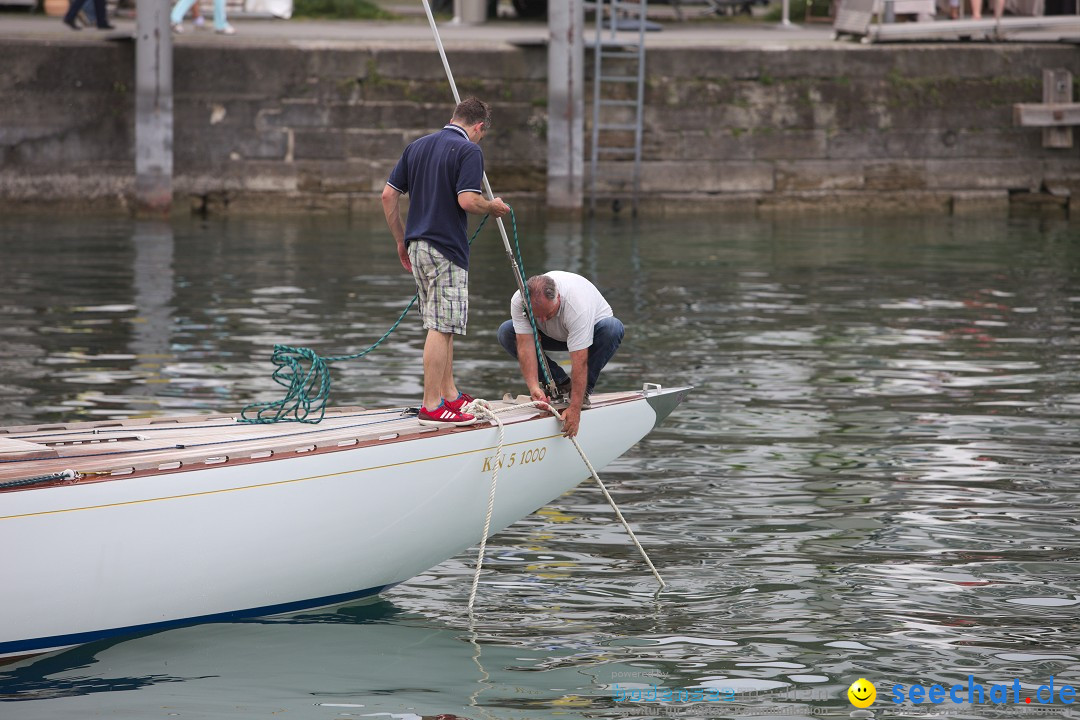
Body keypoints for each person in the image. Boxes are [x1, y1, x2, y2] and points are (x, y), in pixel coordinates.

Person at [382, 97, 511, 427]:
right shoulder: (469, 151)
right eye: (482, 133)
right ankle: (432, 405)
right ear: (478, 126)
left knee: (443, 323)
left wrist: (400, 238)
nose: (481, 139)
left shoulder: (417, 146)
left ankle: (449, 394)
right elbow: (467, 200)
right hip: (446, 248)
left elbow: (388, 195)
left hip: (417, 246)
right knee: (441, 326)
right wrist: (492, 207)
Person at [497, 272, 624, 438]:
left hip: (592, 334)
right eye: (537, 316)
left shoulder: (577, 305)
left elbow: (580, 361)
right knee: (506, 331)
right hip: (550, 336)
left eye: (547, 315)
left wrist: (575, 408)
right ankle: (559, 383)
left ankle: (582, 392)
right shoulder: (519, 300)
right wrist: (534, 387)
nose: (542, 320)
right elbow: (525, 345)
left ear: (558, 298)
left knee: (612, 328)